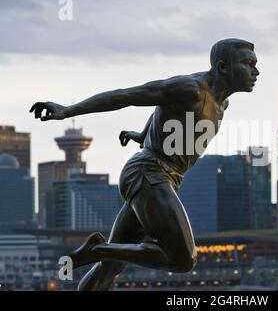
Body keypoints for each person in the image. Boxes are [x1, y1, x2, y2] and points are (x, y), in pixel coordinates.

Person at [30, 38, 259, 290]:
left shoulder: (221, 104)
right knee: (183, 259)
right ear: (223, 67)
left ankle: (101, 252)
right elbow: (126, 96)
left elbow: (166, 114)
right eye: (248, 64)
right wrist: (68, 111)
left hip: (162, 178)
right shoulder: (191, 89)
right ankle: (98, 249)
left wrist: (143, 134)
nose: (255, 72)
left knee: (109, 270)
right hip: (149, 173)